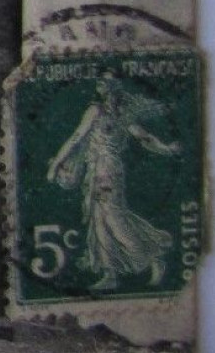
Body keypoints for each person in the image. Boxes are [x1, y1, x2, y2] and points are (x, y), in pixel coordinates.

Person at [47, 77, 178, 290]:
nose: (100, 88)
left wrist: (55, 166)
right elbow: (145, 139)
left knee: (113, 218)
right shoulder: (114, 114)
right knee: (100, 219)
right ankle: (111, 274)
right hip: (103, 169)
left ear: (110, 90)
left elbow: (76, 138)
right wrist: (167, 148)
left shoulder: (101, 112)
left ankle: (151, 257)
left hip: (105, 170)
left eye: (103, 85)